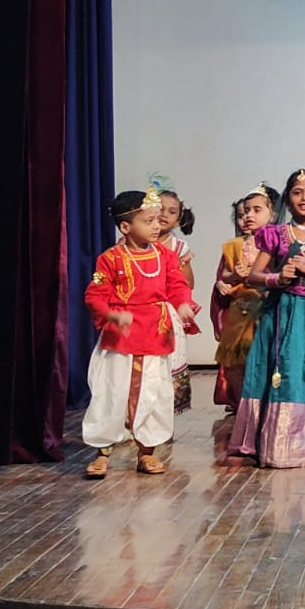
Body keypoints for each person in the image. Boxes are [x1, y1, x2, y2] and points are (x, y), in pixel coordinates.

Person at [228, 168, 305, 468]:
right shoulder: (275, 234)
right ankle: (275, 443)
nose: (304, 198)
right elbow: (254, 276)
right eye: (297, 192)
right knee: (279, 370)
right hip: (281, 313)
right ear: (287, 198)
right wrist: (278, 278)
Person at [82, 187, 199, 477]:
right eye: (148, 221)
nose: (157, 226)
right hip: (122, 335)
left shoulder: (166, 256)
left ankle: (147, 452)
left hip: (155, 333)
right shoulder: (109, 259)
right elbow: (95, 294)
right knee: (113, 391)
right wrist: (111, 314)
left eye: (158, 220)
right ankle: (102, 452)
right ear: (125, 227)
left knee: (153, 392)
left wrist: (183, 304)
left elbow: (177, 285)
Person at [210, 183, 278, 413]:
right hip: (241, 310)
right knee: (236, 363)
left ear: (272, 214)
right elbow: (225, 276)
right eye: (246, 211)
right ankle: (243, 408)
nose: (249, 215)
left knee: (269, 360)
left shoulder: (279, 242)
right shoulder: (235, 246)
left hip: (269, 308)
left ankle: (269, 406)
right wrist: (231, 278)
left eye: (257, 210)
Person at [154, 182, 197, 416]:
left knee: (168, 358)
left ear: (179, 219)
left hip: (168, 310)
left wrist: (180, 267)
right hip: (142, 308)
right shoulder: (136, 240)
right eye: (160, 209)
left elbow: (188, 283)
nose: (164, 215)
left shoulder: (179, 247)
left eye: (171, 212)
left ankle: (165, 411)